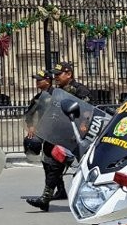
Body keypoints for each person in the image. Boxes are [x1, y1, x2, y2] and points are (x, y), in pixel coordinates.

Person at [25, 61, 92, 212]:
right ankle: (47, 198)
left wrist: (82, 128)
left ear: (69, 74)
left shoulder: (80, 90)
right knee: (50, 164)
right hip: (57, 134)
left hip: (75, 136)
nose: (55, 77)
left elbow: (88, 112)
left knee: (83, 167)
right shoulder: (56, 92)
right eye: (54, 75)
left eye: (58, 74)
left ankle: (86, 196)